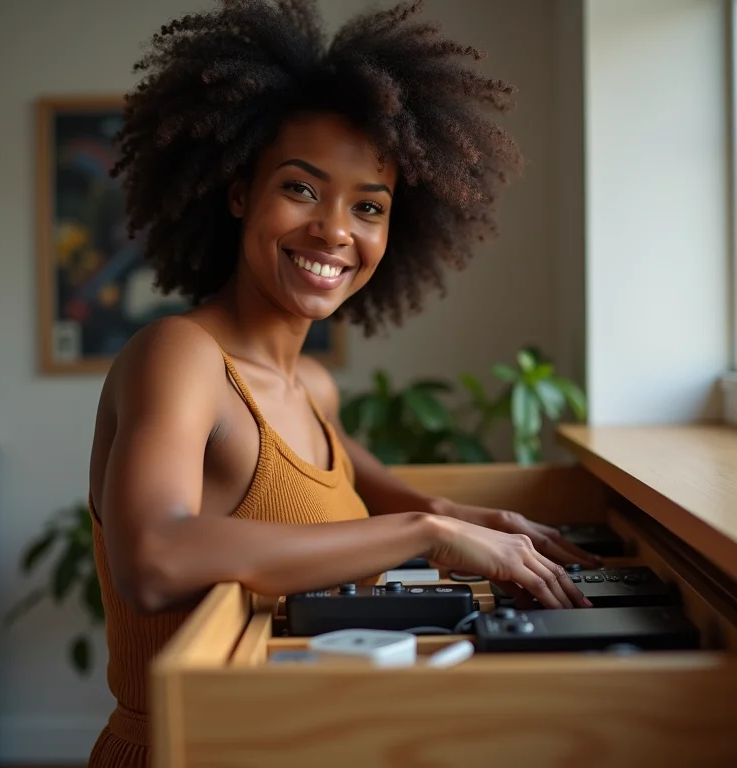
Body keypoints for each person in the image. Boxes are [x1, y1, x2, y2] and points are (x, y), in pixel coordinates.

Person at [87, 1, 597, 765]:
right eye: (301, 188)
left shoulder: (313, 387)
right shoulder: (180, 356)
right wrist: (434, 535)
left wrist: (477, 521)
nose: (335, 230)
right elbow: (152, 559)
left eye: (368, 206)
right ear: (239, 194)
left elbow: (382, 501)